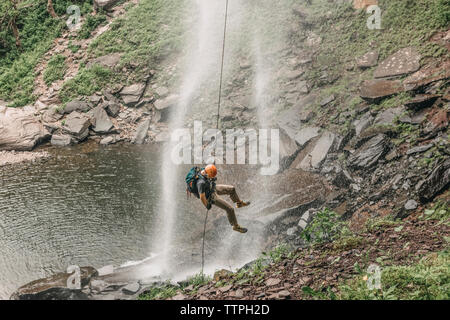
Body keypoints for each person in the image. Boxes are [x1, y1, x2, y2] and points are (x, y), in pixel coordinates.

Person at [195, 164, 250, 233]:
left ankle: (239, 203)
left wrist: (211, 179)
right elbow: (202, 197)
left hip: (212, 188)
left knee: (232, 189)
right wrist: (207, 205)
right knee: (230, 209)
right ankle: (235, 226)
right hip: (210, 197)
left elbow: (209, 177)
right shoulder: (201, 183)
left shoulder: (205, 170)